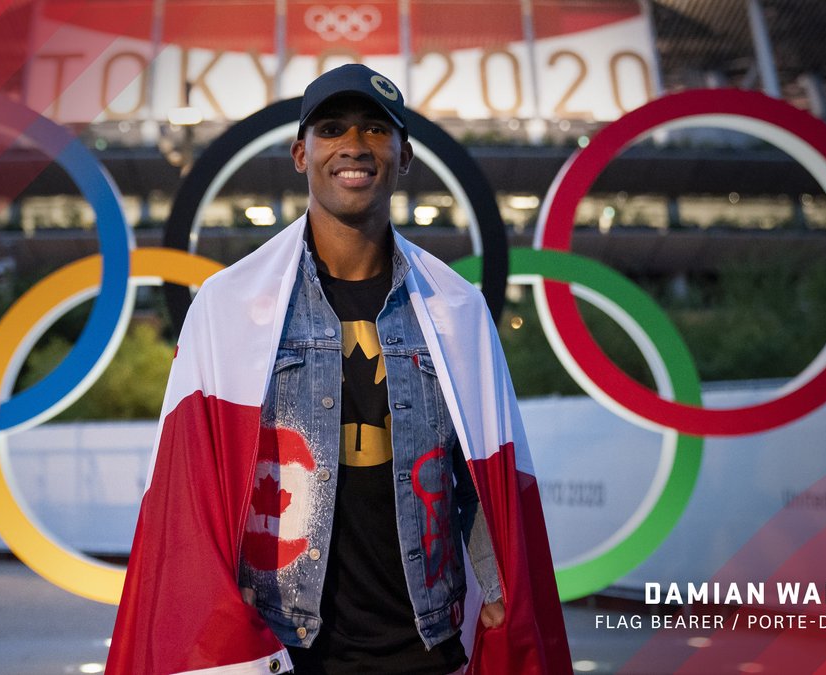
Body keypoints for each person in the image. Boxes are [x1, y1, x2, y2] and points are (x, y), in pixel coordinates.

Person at [107, 65, 570, 675]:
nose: (354, 144)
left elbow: (486, 474)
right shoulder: (230, 305)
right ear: (301, 154)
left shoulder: (455, 308)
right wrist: (220, 604)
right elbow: (192, 482)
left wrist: (499, 586)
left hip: (425, 647)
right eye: (331, 129)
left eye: (376, 129)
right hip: (283, 647)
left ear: (405, 155)